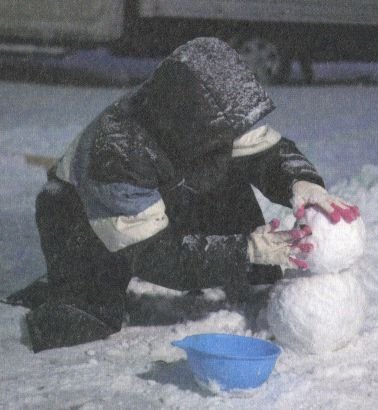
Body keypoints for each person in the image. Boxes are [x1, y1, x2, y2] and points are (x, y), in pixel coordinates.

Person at [17, 37, 360, 352]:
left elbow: (265, 152)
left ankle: (254, 287)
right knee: (89, 314)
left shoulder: (203, 115)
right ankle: (75, 289)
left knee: (223, 175)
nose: (233, 134)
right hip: (81, 216)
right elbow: (154, 254)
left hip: (166, 187)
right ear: (191, 122)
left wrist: (300, 180)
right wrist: (246, 250)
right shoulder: (118, 152)